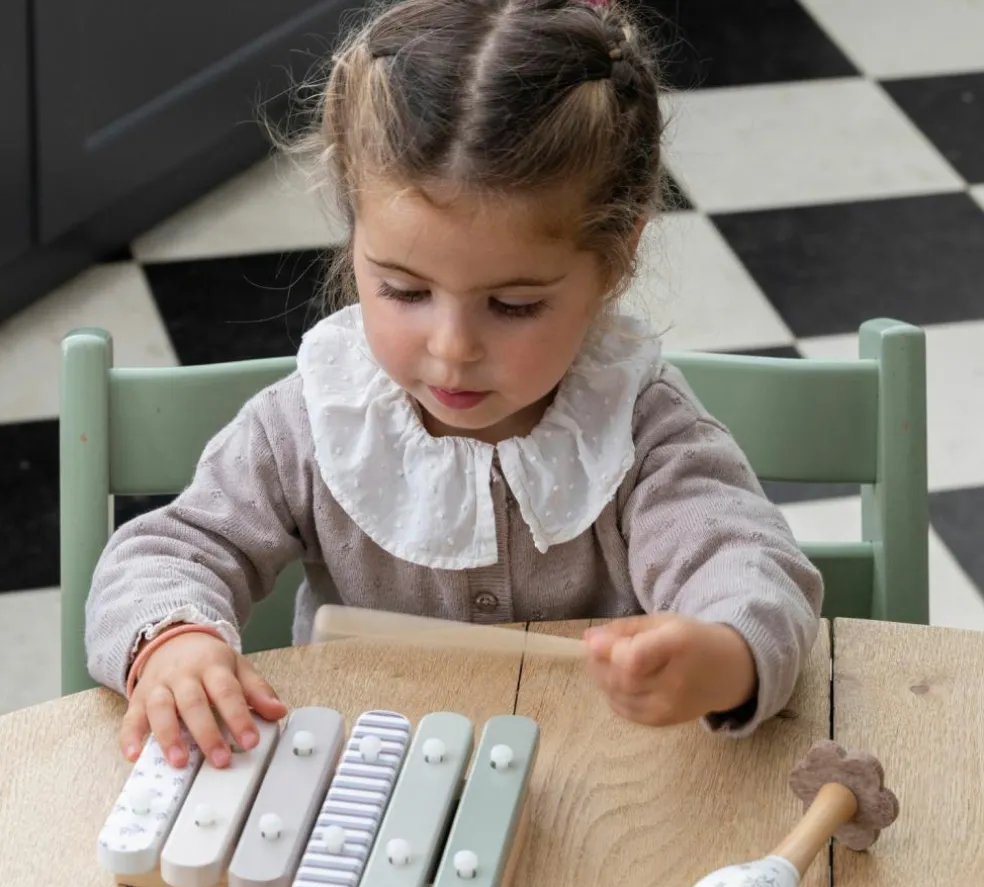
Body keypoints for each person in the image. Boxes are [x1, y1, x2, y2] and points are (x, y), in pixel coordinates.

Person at [84, 0, 823, 771]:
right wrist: (175, 641)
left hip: (592, 789)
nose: (452, 349)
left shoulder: (637, 430)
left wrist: (725, 655)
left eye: (514, 306)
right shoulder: (314, 421)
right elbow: (170, 552)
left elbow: (749, 565)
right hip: (359, 791)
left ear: (616, 259)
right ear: (354, 234)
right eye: (404, 291)